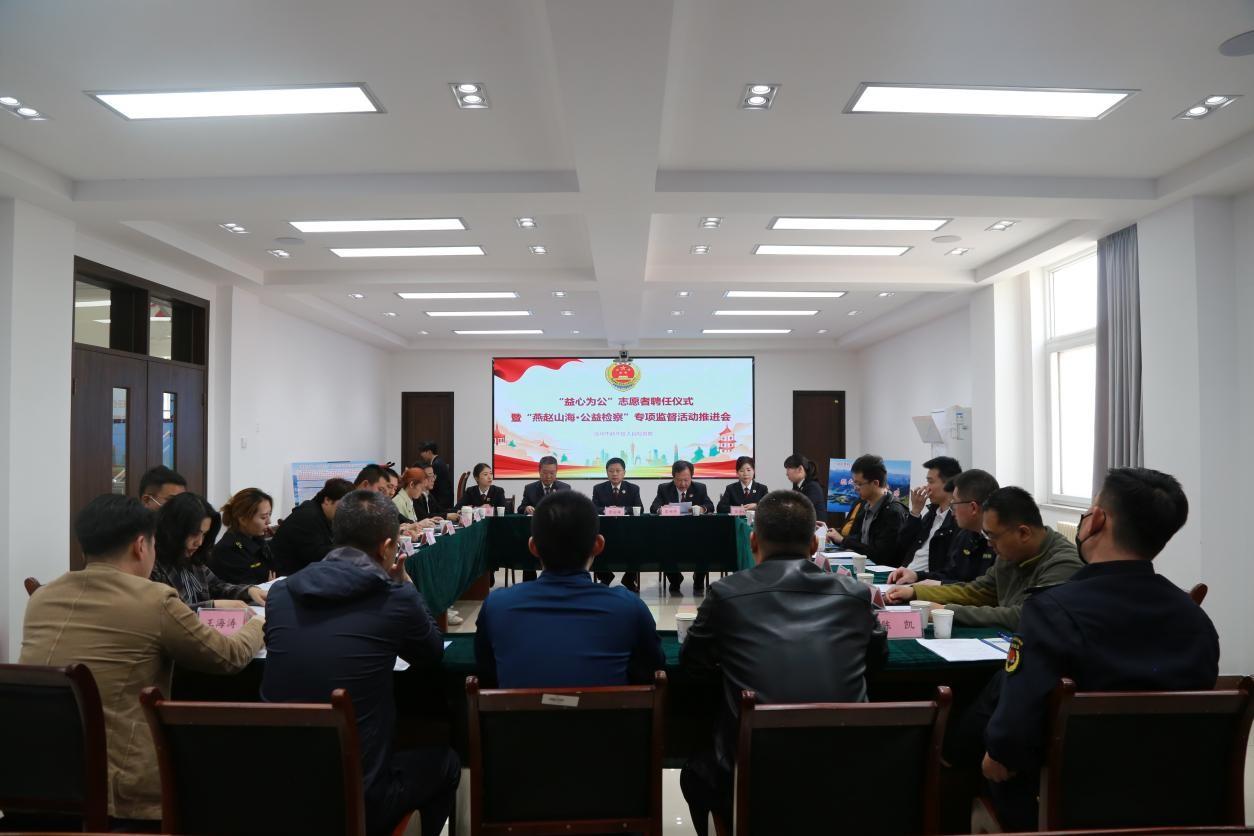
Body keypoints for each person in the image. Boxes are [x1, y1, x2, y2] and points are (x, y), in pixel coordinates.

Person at [980, 468, 1220, 830]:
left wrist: (996, 753)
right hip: (1177, 801)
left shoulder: (1051, 611)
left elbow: (1011, 737)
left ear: (1097, 520)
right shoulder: (1197, 621)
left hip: (1074, 803)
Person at [20, 495, 262, 829]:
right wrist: (258, 625)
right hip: (120, 791)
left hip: (36, 779)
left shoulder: (43, 598)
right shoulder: (154, 599)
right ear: (140, 546)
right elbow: (228, 657)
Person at [679, 490, 888, 833]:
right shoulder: (854, 593)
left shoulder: (726, 593)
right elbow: (877, 660)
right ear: (814, 545)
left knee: (695, 770)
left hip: (755, 773)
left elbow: (692, 662)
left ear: (753, 541)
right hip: (847, 770)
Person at [262, 490, 458, 836]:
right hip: (361, 799)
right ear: (387, 547)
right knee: (446, 762)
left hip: (280, 793)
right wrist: (407, 586)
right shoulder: (394, 597)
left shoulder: (281, 594)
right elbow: (431, 652)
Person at [475, 490, 665, 687]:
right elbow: (651, 669)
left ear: (533, 546)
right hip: (607, 709)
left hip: (517, 709)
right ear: (598, 545)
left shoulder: (497, 606)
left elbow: (487, 674)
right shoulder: (629, 607)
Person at [886, 487, 1083, 629]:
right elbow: (978, 591)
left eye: (993, 536)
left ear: (1023, 533)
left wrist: (947, 611)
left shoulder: (1064, 563)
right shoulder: (1010, 553)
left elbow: (1024, 616)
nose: (989, 543)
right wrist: (915, 592)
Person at [150, 492, 265, 610]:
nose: (199, 542)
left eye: (204, 534)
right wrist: (212, 605)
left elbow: (216, 586)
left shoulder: (193, 559)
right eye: (194, 533)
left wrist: (248, 591)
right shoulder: (153, 565)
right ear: (174, 529)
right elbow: (165, 612)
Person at [889, 469, 998, 586]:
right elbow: (950, 574)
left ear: (973, 508)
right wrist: (917, 576)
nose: (952, 511)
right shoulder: (965, 535)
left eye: (954, 504)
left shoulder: (997, 543)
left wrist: (935, 585)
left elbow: (980, 590)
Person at [827, 454, 907, 566]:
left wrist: (843, 541)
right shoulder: (864, 504)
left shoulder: (893, 512)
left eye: (859, 484)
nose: (855, 488)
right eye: (854, 482)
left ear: (875, 483)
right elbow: (857, 539)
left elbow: (881, 555)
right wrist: (834, 535)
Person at [649, 460, 715, 594]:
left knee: (707, 545)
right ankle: (675, 579)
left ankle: (698, 579)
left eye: (686, 480)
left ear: (691, 477)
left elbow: (710, 506)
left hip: (695, 533)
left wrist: (702, 509)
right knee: (661, 546)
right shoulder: (664, 488)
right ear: (673, 477)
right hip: (671, 534)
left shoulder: (700, 488)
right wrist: (661, 509)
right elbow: (653, 507)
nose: (683, 484)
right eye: (679, 480)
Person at [269, 477, 353, 576]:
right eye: (344, 506)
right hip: (284, 577)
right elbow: (318, 557)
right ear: (327, 500)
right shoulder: (307, 517)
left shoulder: (324, 515)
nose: (347, 512)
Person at [895, 456, 962, 573]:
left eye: (930, 482)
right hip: (905, 573)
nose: (926, 487)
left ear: (948, 484)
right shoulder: (932, 514)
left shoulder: (957, 521)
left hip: (923, 580)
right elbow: (902, 545)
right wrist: (915, 511)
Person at [591, 457, 643, 589]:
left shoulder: (633, 488)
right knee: (595, 545)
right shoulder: (598, 488)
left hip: (627, 531)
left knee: (637, 546)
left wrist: (622, 510)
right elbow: (593, 508)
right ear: (607, 472)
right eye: (611, 471)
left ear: (624, 473)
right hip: (605, 530)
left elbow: (639, 508)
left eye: (618, 471)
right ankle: (605, 577)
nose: (614, 474)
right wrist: (606, 510)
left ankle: (629, 580)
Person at [208, 487, 276, 585]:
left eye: (269, 515)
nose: (269, 521)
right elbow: (247, 589)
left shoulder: (257, 539)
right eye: (263, 517)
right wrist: (269, 585)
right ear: (243, 520)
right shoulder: (228, 551)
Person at [416, 441, 454, 510]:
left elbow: (433, 486)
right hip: (444, 498)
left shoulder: (436, 464)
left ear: (429, 452)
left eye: (422, 452)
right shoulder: (438, 461)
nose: (421, 454)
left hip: (442, 501)